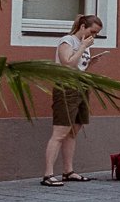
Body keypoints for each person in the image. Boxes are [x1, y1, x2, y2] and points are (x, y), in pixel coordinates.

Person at [42, 15, 104, 187]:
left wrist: (90, 62)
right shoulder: (68, 41)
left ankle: (68, 171)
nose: (94, 36)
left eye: (97, 34)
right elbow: (67, 64)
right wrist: (83, 46)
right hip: (66, 88)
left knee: (73, 131)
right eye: (92, 31)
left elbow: (78, 67)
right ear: (83, 26)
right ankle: (48, 174)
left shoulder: (85, 44)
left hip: (81, 87)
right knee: (60, 133)